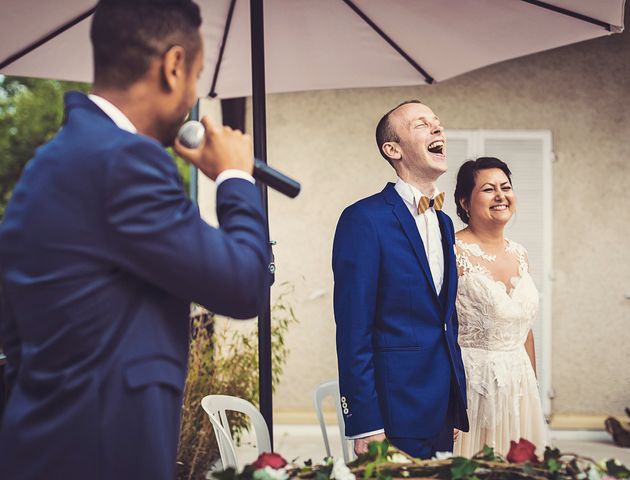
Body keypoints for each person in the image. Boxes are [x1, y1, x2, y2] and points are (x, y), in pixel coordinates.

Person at [0, 1, 269, 478]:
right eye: (196, 76)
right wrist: (234, 178)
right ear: (173, 66)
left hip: (47, 448)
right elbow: (244, 285)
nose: (191, 95)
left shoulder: (50, 163)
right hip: (103, 456)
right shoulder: (125, 163)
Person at [332, 100, 469, 459]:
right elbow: (352, 329)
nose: (438, 129)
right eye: (422, 125)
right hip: (392, 412)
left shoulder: (444, 222)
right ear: (392, 149)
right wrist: (366, 422)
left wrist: (455, 401)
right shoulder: (363, 219)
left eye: (438, 122)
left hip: (439, 406)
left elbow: (444, 320)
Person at [452, 157, 547, 457]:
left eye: (505, 187)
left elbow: (524, 330)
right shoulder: (452, 251)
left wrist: (532, 386)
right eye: (488, 189)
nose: (500, 195)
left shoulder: (520, 253)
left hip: (520, 389)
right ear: (465, 202)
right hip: (473, 388)